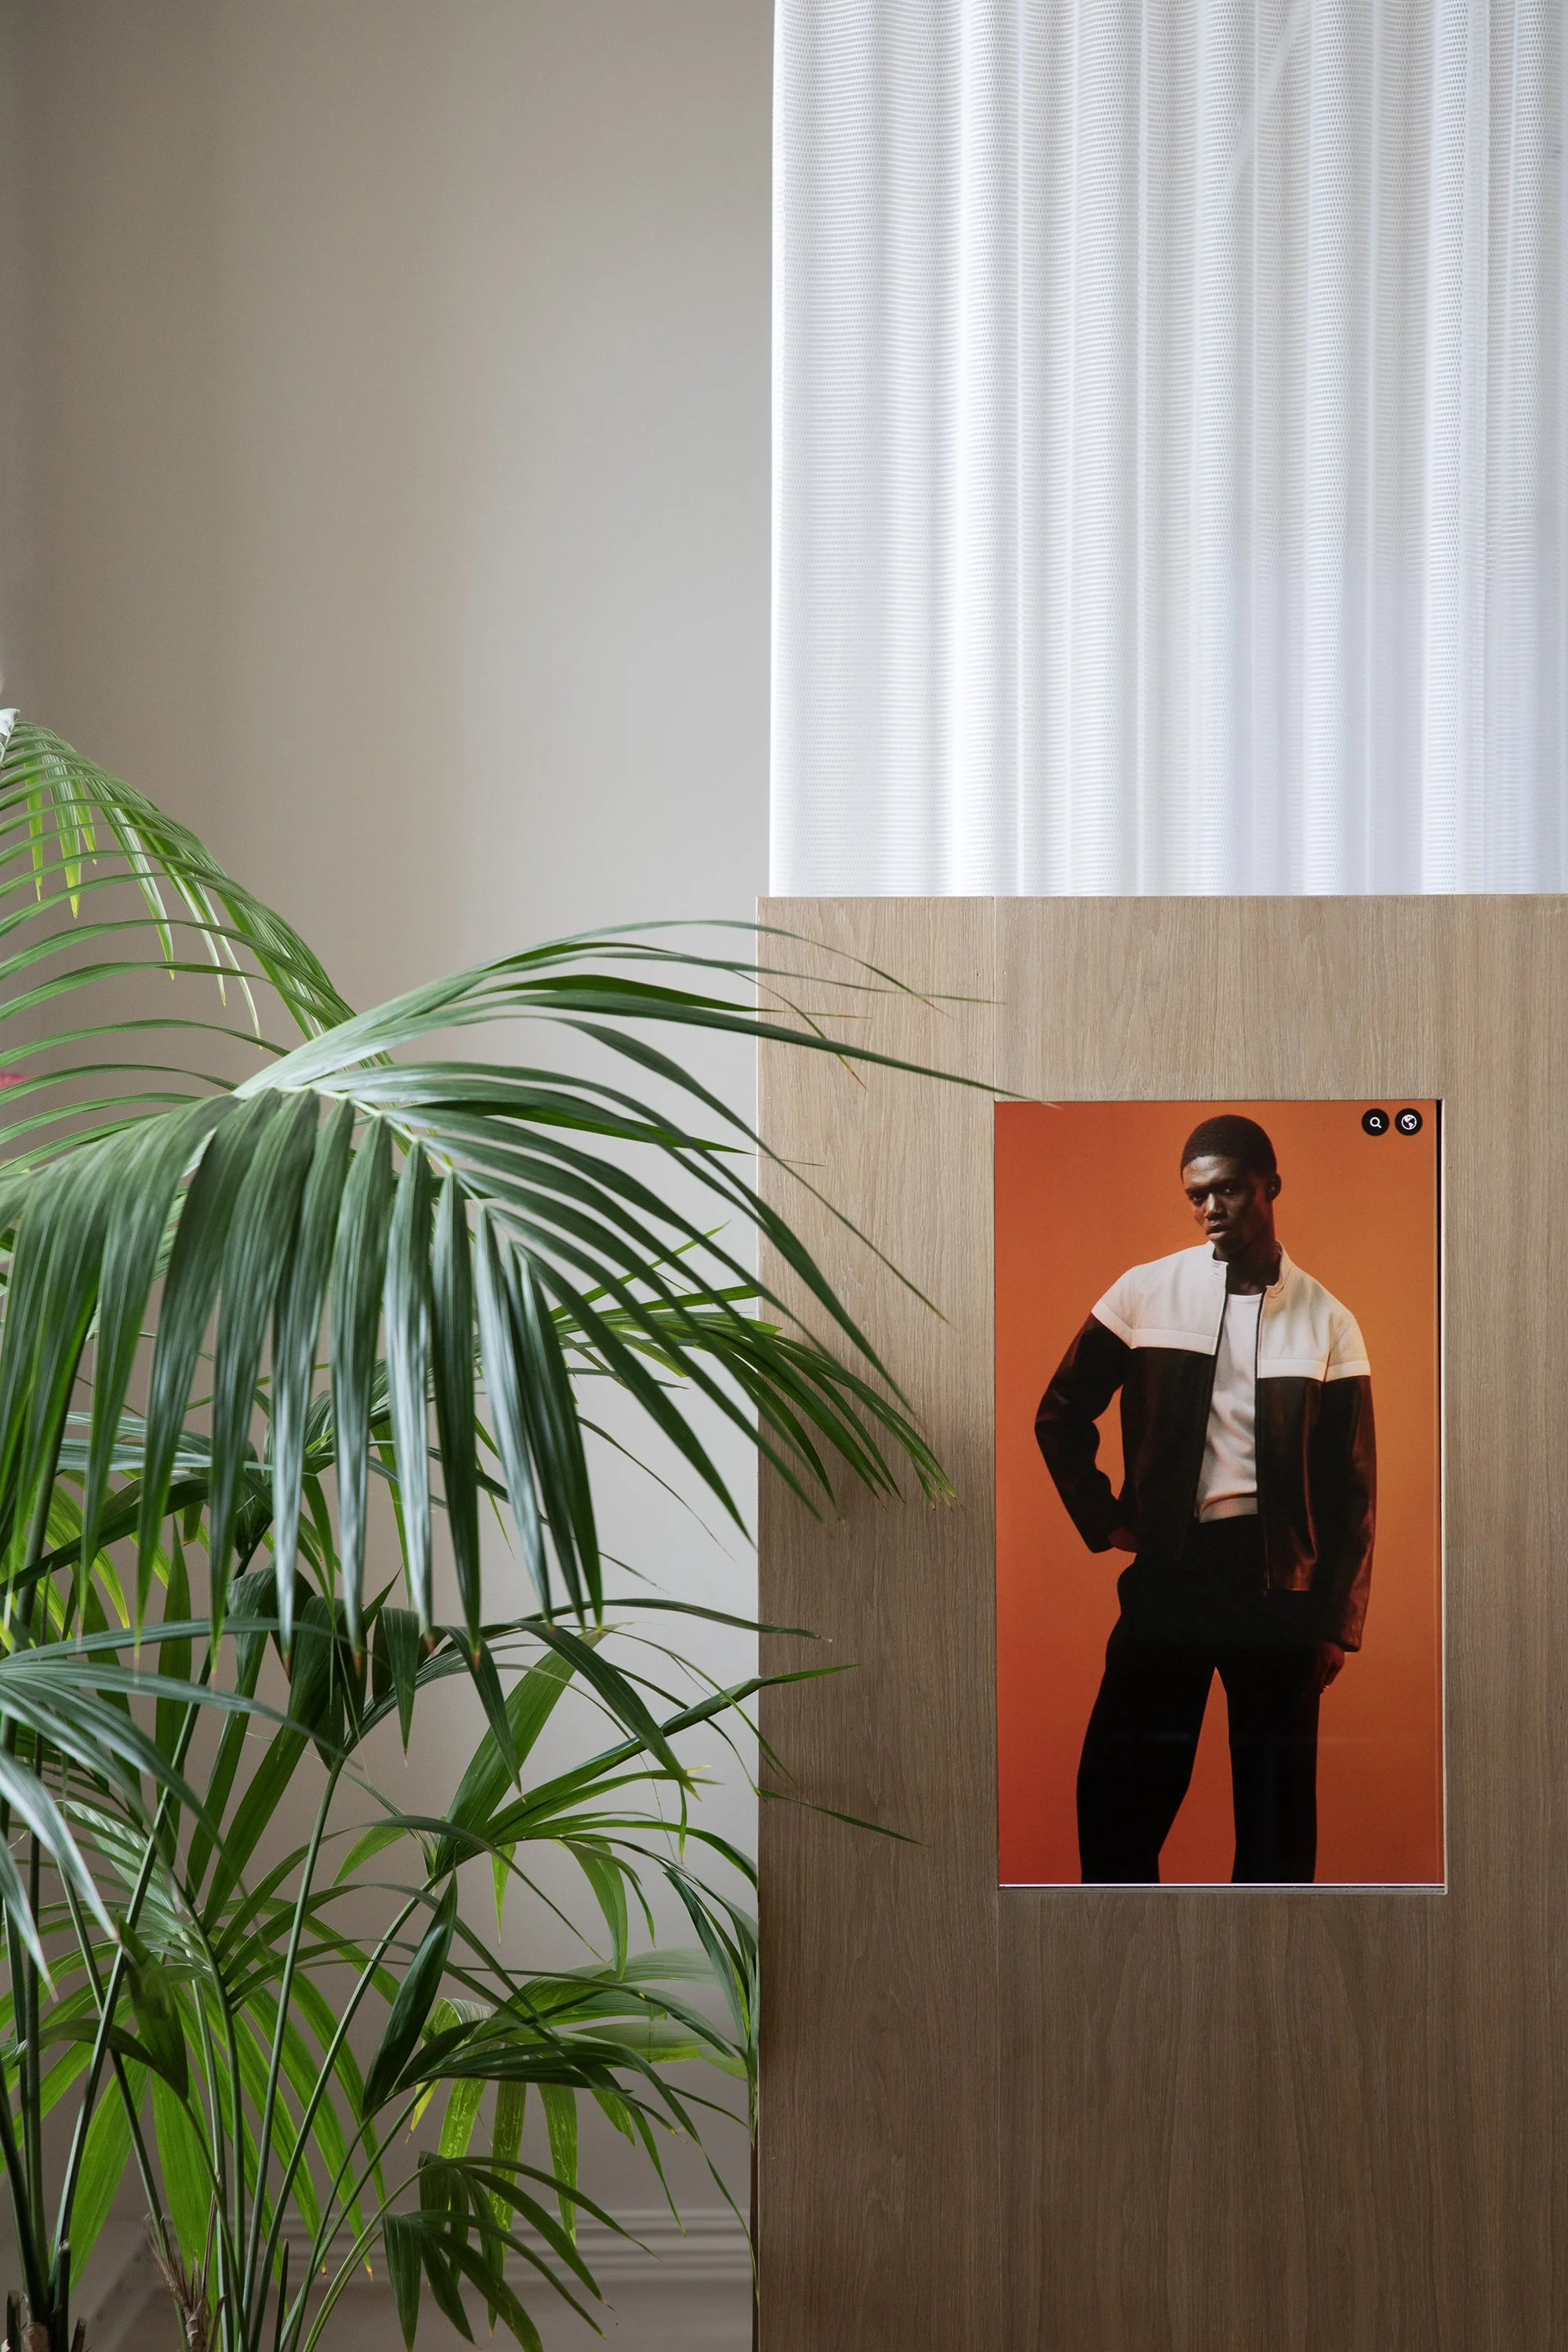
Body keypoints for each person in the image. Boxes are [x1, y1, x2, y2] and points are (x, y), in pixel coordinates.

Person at [1034, 1114, 1375, 1885]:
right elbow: (1057, 1413)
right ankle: (1123, 1969)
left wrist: (1334, 1622)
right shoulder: (1144, 1292)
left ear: (1268, 1188)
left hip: (1278, 1588)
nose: (1209, 1208)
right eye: (1196, 1195)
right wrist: (1107, 1518)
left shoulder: (1328, 1320)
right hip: (1172, 1573)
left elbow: (1352, 1491)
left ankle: (1268, 1987)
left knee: (1275, 1822)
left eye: (1226, 1189)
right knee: (1116, 1797)